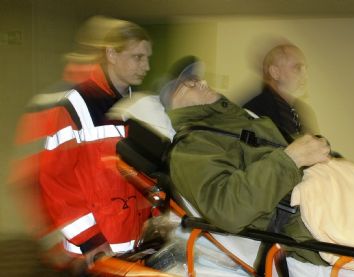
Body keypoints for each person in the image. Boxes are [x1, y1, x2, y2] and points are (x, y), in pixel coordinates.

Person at [159, 61, 331, 267]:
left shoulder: (238, 121)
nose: (203, 82)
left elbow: (276, 147)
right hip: (310, 221)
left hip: (325, 191)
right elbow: (226, 207)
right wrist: (291, 160)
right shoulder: (191, 146)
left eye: (198, 79)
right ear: (173, 100)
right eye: (190, 84)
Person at [38, 16, 152, 268]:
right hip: (94, 249)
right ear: (111, 54)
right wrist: (90, 240)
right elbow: (55, 180)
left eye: (147, 58)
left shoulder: (140, 106)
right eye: (137, 57)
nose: (146, 66)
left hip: (135, 244)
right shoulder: (75, 105)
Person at [243, 43, 320, 141]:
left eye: (305, 69)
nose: (305, 76)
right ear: (275, 72)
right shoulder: (253, 112)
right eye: (298, 68)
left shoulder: (304, 112)